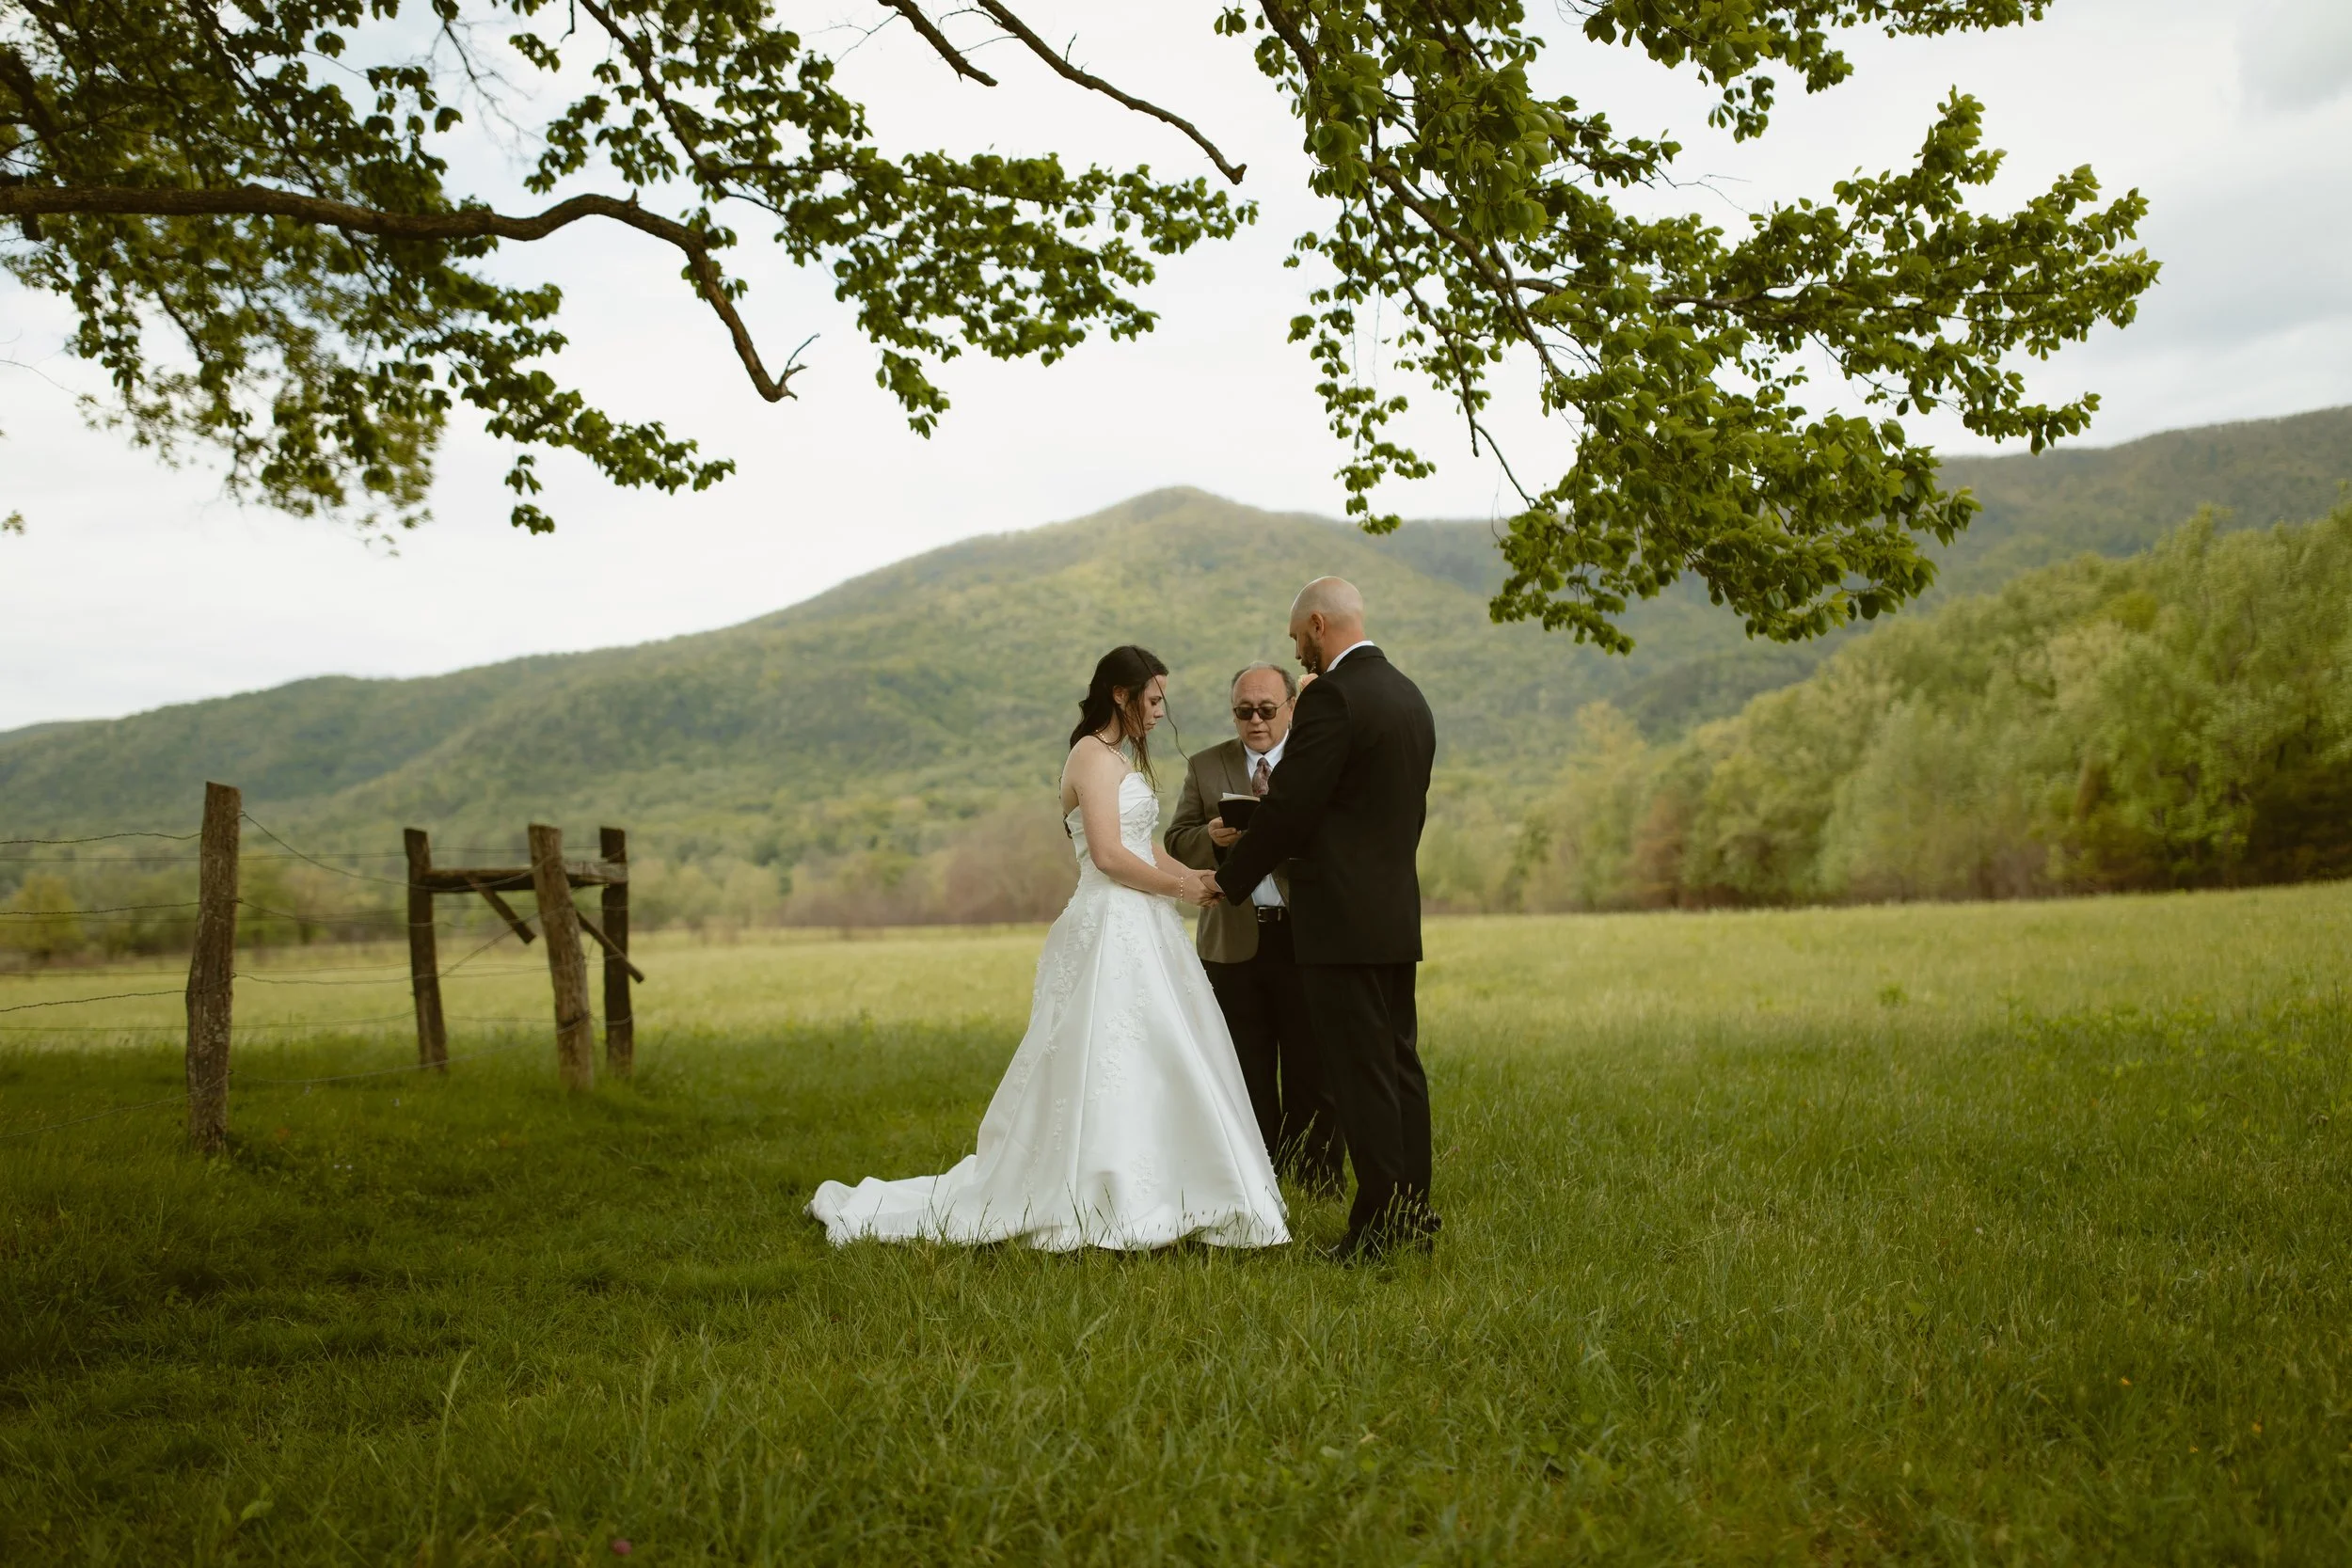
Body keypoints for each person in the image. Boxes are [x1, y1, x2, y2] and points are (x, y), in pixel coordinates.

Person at [808, 645, 1287, 1251]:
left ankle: (1177, 1186)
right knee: (1103, 1055)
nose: (1163, 712)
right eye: (1155, 698)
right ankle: (1099, 1194)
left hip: (1147, 925)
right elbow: (1111, 859)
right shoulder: (1090, 756)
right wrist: (1178, 888)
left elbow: (1144, 846)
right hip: (1109, 924)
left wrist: (1199, 884)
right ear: (1122, 694)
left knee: (1165, 1053)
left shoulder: (1119, 757)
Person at [1204, 579, 1438, 1261]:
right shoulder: (1407, 694)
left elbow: (1293, 807)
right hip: (1395, 911)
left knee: (1360, 1076)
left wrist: (1231, 880)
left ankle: (1375, 1230)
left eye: (1295, 636)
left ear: (1316, 623)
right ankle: (1411, 1212)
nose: (1296, 647)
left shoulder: (1333, 696)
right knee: (1398, 1068)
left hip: (1339, 918)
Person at [1165, 662, 1345, 1192]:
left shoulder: (1316, 761)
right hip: (1233, 941)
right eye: (1244, 711)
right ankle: (1255, 1178)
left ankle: (1318, 1179)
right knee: (1245, 1068)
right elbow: (1177, 839)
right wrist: (1211, 840)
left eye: (1267, 710)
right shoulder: (1205, 765)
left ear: (1291, 707)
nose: (1256, 721)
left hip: (1305, 935)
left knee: (1313, 1065)